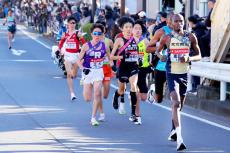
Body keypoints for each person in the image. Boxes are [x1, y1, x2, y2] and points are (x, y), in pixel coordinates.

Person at [156, 14, 201, 151]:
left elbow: (199, 55)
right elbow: (158, 52)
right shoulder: (167, 38)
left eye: (181, 21)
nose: (179, 23)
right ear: (171, 23)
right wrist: (162, 56)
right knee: (176, 103)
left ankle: (173, 129)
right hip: (171, 74)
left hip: (184, 74)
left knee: (179, 106)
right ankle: (180, 140)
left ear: (184, 22)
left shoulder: (190, 37)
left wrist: (189, 58)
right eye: (176, 21)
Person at [147, 12, 178, 140]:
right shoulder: (161, 31)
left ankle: (174, 130)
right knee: (159, 99)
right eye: (171, 21)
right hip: (161, 68)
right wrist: (161, 47)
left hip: (176, 69)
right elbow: (148, 48)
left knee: (175, 101)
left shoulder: (183, 33)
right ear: (167, 21)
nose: (174, 23)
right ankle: (153, 91)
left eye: (177, 21)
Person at [78, 23, 108, 126]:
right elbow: (78, 60)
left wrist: (112, 66)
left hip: (98, 72)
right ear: (91, 34)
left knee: (97, 93)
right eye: (95, 33)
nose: (97, 35)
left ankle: (93, 117)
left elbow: (109, 58)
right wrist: (82, 69)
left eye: (99, 33)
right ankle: (101, 111)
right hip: (88, 71)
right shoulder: (86, 46)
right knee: (87, 98)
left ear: (102, 35)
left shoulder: (104, 46)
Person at [110, 16, 139, 122]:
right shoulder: (119, 40)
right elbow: (111, 57)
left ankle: (133, 114)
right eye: (126, 27)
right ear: (122, 29)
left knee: (133, 86)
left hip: (133, 66)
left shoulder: (136, 39)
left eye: (131, 27)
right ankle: (116, 95)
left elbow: (140, 52)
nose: (129, 29)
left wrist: (140, 59)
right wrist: (122, 57)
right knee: (121, 90)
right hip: (123, 67)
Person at [59, 16, 86, 100]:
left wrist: (82, 39)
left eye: (74, 23)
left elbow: (84, 44)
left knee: (74, 75)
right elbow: (60, 44)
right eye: (71, 23)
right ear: (67, 24)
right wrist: (60, 49)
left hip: (76, 56)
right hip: (67, 55)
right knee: (69, 74)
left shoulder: (78, 33)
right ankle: (72, 93)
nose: (72, 24)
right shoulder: (65, 33)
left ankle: (83, 77)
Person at [133, 20, 150, 125]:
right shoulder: (128, 41)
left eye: (139, 29)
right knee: (136, 92)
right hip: (133, 69)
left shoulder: (146, 41)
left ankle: (150, 91)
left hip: (143, 68)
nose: (138, 30)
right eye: (136, 28)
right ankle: (137, 115)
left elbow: (155, 51)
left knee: (144, 97)